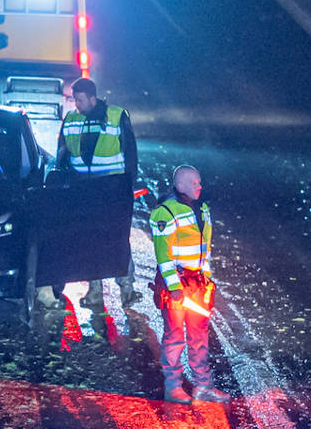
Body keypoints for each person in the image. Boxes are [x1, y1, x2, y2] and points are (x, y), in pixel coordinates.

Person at [53, 77, 137, 344]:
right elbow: (63, 153)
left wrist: (128, 188)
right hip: (84, 189)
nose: (75, 104)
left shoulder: (116, 116)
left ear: (92, 97)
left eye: (79, 99)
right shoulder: (72, 118)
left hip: (112, 189)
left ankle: (127, 289)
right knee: (89, 241)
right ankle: (95, 292)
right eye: (74, 99)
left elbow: (130, 153)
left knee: (115, 240)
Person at [149, 164, 226, 404]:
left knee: (199, 336)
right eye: (194, 183)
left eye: (199, 182)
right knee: (174, 337)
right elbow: (164, 256)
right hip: (177, 286)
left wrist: (208, 282)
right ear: (180, 185)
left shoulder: (201, 209)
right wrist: (174, 288)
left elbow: (205, 252)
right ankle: (173, 387)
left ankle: (203, 386)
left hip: (197, 285)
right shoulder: (166, 213)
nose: (199, 186)